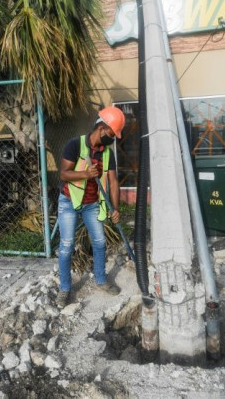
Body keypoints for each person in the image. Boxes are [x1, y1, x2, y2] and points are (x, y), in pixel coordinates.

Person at [56, 106, 125, 308]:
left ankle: (101, 280)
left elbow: (113, 182)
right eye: (112, 134)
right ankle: (65, 288)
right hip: (68, 202)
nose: (113, 139)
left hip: (92, 204)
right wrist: (86, 174)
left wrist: (115, 208)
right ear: (102, 128)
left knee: (100, 242)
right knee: (67, 246)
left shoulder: (107, 154)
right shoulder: (75, 145)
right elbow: (63, 174)